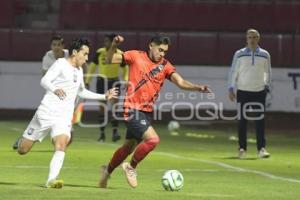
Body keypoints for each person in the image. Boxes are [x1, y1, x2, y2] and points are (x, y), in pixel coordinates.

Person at [98, 33, 211, 188]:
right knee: (153, 140)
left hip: (147, 112)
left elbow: (180, 82)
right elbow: (109, 59)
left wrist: (198, 88)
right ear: (151, 45)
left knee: (128, 147)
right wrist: (114, 46)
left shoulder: (165, 66)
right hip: (132, 109)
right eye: (160, 49)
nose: (162, 53)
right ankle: (131, 167)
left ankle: (107, 171)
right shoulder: (135, 56)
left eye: (165, 51)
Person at [16, 38, 118, 188]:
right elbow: (44, 80)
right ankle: (22, 139)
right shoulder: (61, 64)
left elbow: (82, 91)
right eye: (85, 54)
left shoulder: (80, 70)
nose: (87, 58)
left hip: (63, 116)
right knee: (22, 150)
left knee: (61, 144)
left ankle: (51, 180)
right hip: (46, 112)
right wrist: (54, 89)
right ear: (75, 52)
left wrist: (104, 96)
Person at [12, 35, 70, 150]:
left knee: (65, 130)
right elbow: (45, 77)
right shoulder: (48, 57)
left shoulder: (69, 55)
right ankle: (25, 139)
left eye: (59, 44)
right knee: (44, 120)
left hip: (69, 94)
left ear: (63, 46)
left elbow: (82, 66)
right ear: (51, 46)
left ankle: (56, 138)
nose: (56, 47)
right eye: (54, 44)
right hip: (53, 94)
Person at [228, 28, 272, 159]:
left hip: (259, 91)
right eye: (250, 37)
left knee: (260, 121)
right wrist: (231, 88)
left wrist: (266, 86)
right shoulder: (239, 54)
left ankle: (261, 149)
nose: (252, 40)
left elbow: (268, 72)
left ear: (258, 39)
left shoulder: (265, 54)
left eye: (254, 37)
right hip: (243, 91)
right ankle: (242, 149)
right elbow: (233, 71)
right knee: (242, 121)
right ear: (246, 39)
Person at [85, 33, 128, 142]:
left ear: (114, 42)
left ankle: (115, 133)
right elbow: (92, 67)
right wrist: (87, 81)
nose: (105, 43)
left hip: (114, 82)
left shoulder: (120, 54)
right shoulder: (100, 52)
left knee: (115, 108)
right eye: (105, 41)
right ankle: (102, 134)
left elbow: (125, 69)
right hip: (101, 81)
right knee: (102, 108)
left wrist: (126, 81)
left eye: (107, 41)